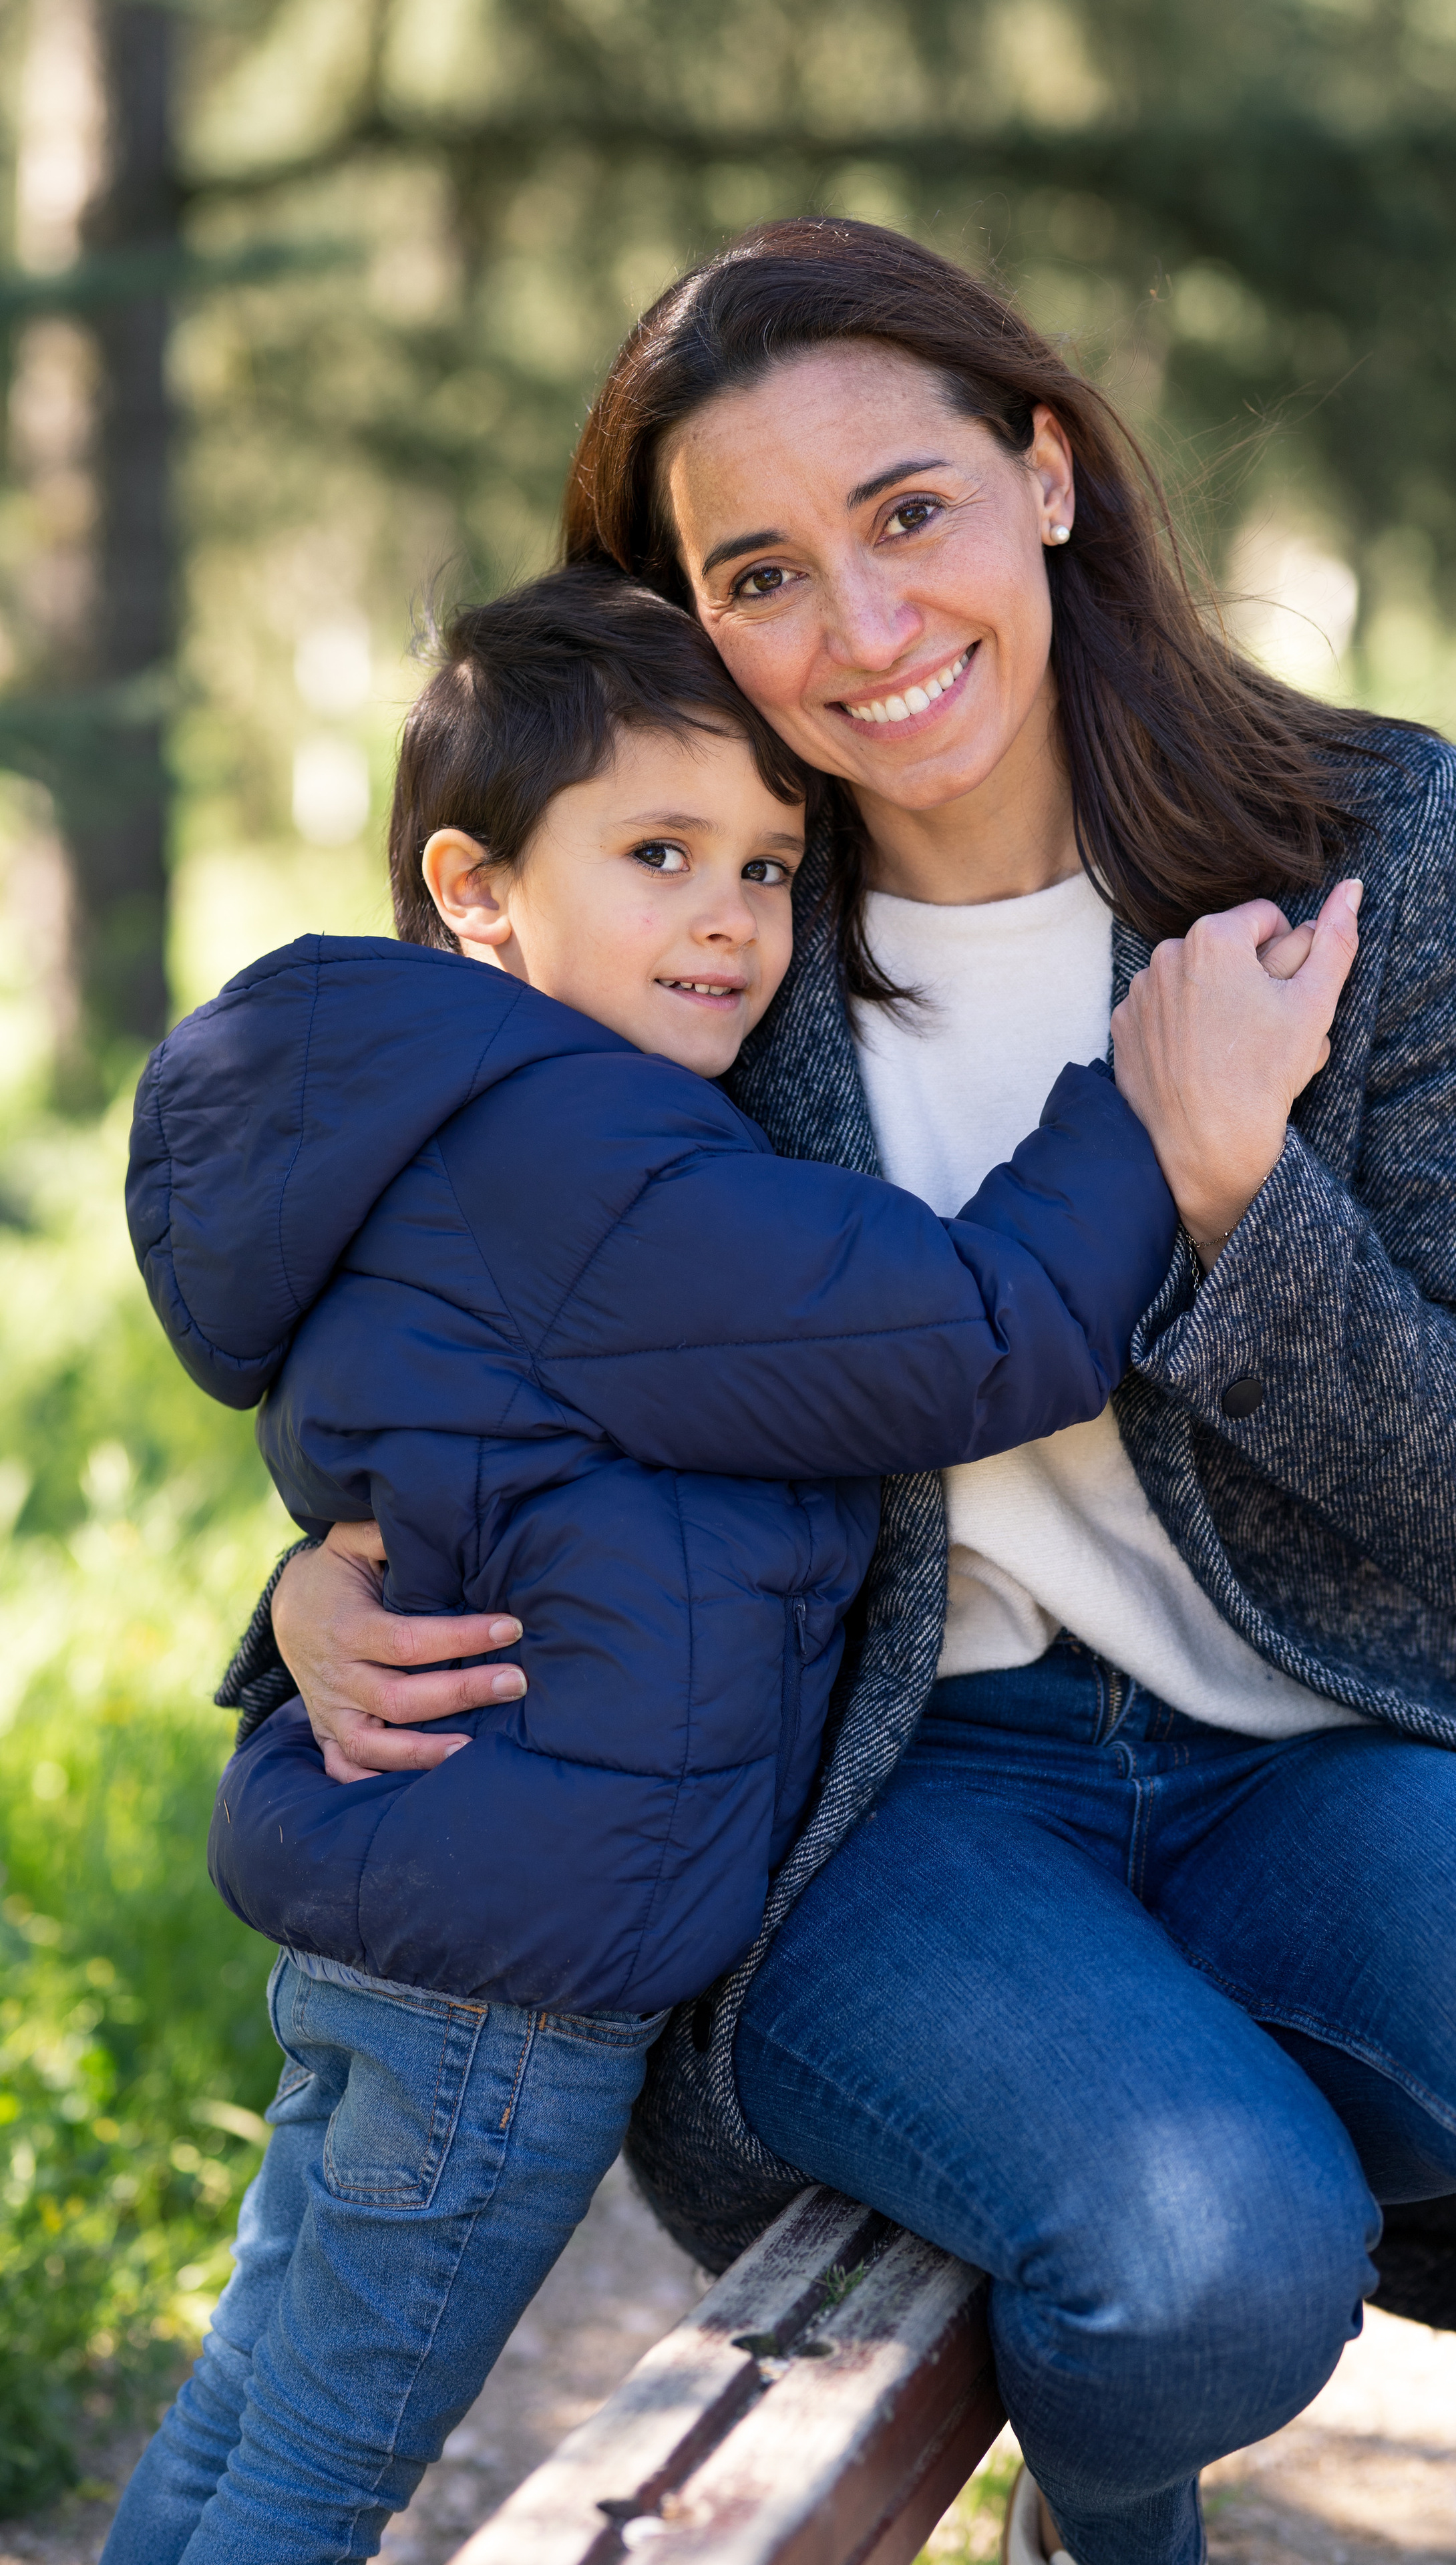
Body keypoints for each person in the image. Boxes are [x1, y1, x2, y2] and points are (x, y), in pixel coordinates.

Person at [212, 224, 1456, 2564]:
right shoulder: (693, 922)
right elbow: (455, 1304)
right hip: (881, 1803)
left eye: (908, 513)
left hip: (1314, 1747)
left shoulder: (1364, 852)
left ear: (1046, 476)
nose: (867, 629)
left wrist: (1239, 1199)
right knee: (1206, 2258)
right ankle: (1104, 2526)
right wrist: (301, 1590)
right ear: (684, 622)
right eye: (761, 573)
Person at [110, 562, 1193, 2565]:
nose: (729, 918)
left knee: (256, 2396)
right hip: (515, 1967)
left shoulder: (427, 1120)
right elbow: (973, 1333)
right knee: (323, 2460)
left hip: (399, 1902)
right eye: (661, 853)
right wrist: (1148, 1110)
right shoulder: (594, 1162)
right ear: (476, 884)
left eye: (773, 869)